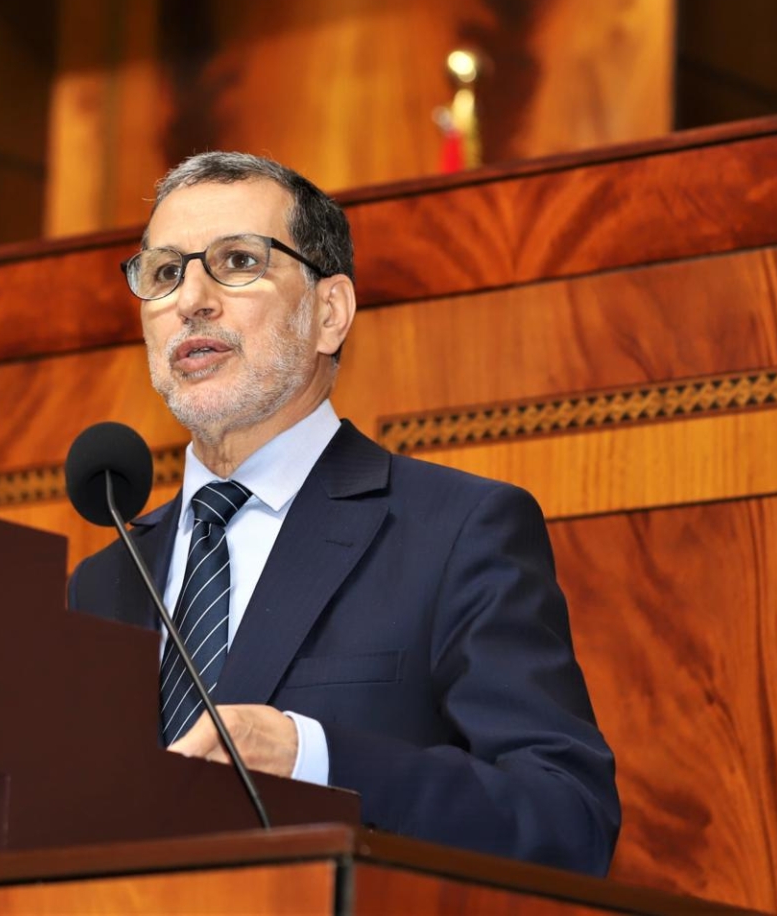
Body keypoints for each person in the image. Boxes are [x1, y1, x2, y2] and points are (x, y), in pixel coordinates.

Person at [66, 152, 620, 876]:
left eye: (238, 261)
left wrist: (315, 758)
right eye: (165, 272)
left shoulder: (456, 534)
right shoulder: (101, 582)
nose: (191, 299)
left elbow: (567, 820)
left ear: (329, 313)